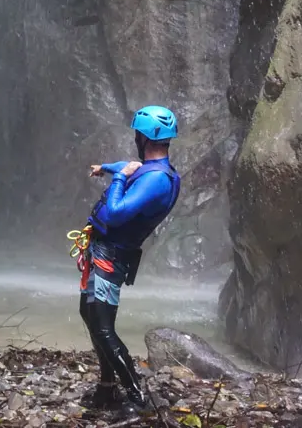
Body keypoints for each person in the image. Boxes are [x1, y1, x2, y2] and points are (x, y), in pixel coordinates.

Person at [78, 106, 182, 416]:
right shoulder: (156, 170)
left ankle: (137, 398)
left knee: (103, 327)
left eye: (137, 134)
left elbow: (115, 213)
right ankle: (107, 387)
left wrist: (119, 179)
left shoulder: (157, 180)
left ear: (143, 137)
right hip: (104, 253)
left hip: (111, 257)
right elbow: (128, 166)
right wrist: (107, 167)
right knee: (89, 314)